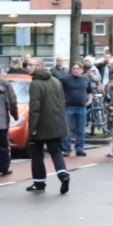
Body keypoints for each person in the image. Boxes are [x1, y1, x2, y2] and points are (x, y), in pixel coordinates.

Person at [27, 57, 71, 194]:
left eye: (31, 65)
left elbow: (35, 107)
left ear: (39, 66)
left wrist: (32, 128)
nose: (28, 67)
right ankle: (63, 175)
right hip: (57, 123)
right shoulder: (56, 81)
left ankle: (39, 183)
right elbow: (62, 102)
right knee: (56, 151)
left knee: (37, 154)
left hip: (41, 125)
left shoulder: (35, 84)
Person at [60, 62, 93, 157]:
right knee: (67, 129)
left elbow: (89, 91)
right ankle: (66, 148)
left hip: (82, 107)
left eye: (78, 69)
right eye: (74, 69)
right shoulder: (65, 79)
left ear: (81, 70)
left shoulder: (86, 79)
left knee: (81, 129)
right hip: (69, 107)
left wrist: (90, 100)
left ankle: (79, 149)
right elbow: (57, 87)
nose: (76, 70)